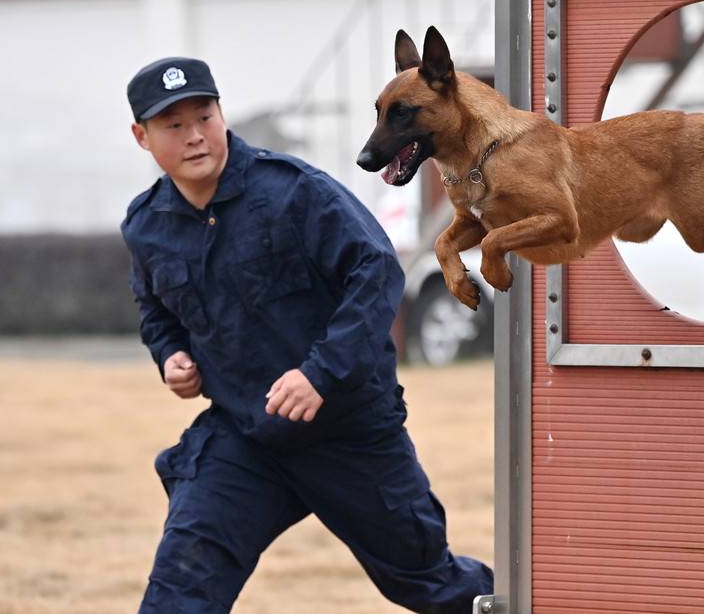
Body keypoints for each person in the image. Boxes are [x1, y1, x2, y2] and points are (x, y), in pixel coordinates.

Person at [121, 56, 493, 613]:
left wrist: (319, 373)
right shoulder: (146, 224)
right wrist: (170, 353)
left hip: (348, 432)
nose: (195, 136)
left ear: (222, 114)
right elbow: (155, 308)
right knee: (182, 587)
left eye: (205, 116)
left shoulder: (295, 193)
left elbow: (376, 273)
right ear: (142, 137)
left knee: (431, 585)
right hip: (246, 438)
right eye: (174, 125)